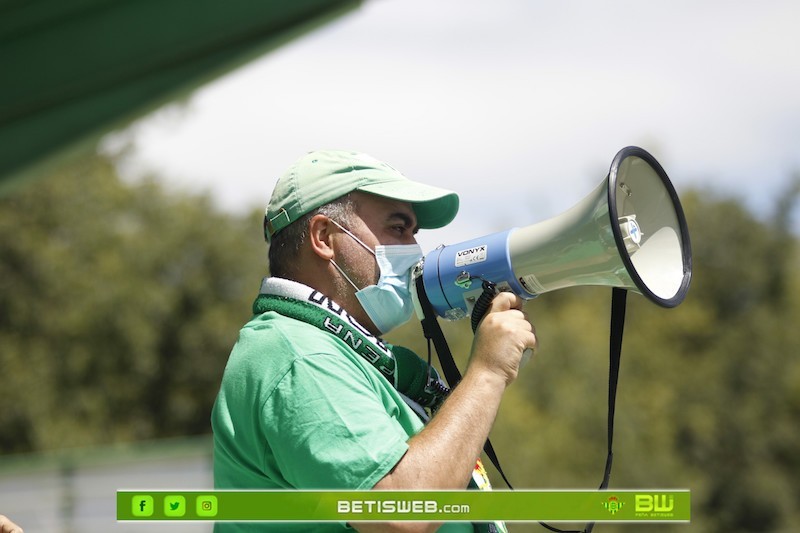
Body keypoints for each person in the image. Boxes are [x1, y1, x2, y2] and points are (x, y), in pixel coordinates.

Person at [211, 150, 537, 533]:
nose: (415, 251)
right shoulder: (299, 356)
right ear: (323, 238)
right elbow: (399, 512)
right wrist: (487, 373)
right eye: (398, 229)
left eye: (414, 233)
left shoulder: (338, 353)